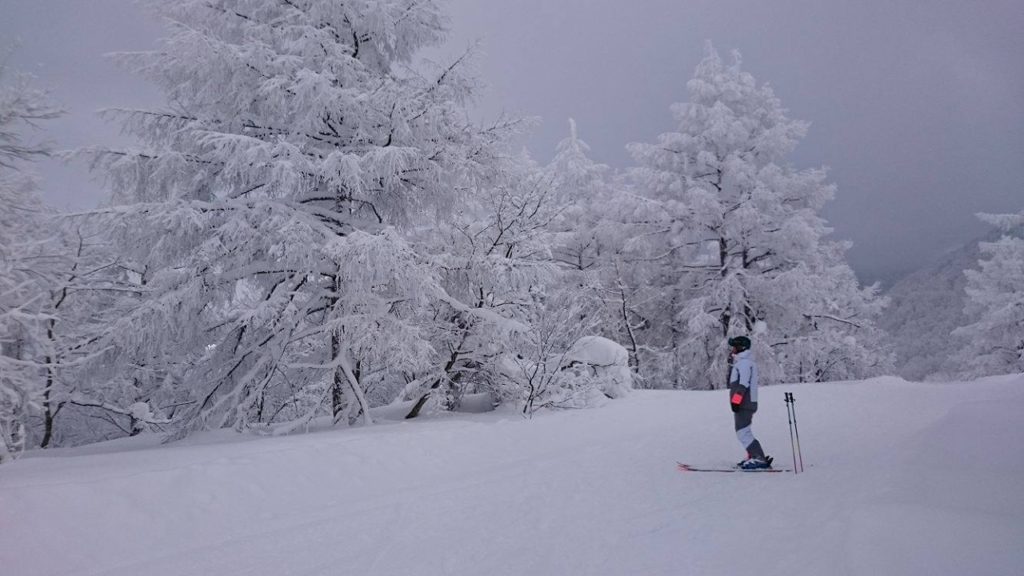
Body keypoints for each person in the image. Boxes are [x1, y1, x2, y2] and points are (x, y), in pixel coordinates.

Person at [728, 335, 772, 469]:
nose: (733, 349)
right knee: (744, 431)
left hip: (744, 404)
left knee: (742, 432)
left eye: (735, 346)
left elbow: (743, 384)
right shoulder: (744, 362)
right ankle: (753, 455)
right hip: (746, 403)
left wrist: (736, 401)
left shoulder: (744, 363)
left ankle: (758, 458)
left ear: (741, 347)